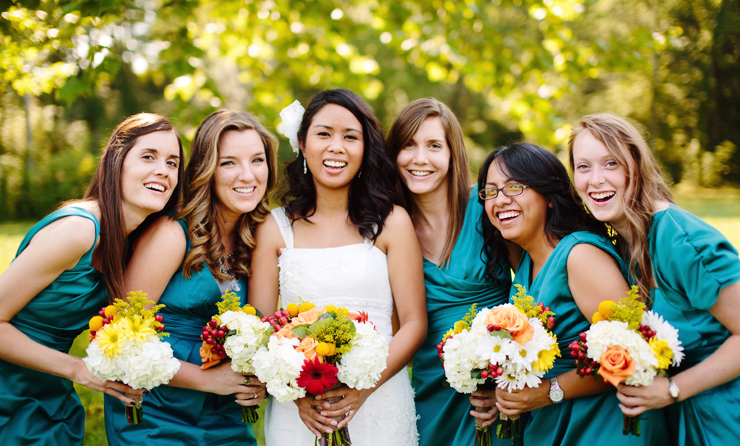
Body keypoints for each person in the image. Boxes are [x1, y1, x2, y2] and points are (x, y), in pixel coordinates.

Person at [249, 89, 426, 445]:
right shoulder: (275, 227)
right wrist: (298, 394)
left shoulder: (392, 223)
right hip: (299, 409)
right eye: (324, 134)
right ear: (302, 142)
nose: (336, 147)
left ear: (365, 149)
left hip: (379, 400)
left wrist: (363, 388)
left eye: (350, 137)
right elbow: (260, 328)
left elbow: (413, 323)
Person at [0, 113, 184, 445]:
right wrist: (78, 369)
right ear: (116, 161)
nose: (163, 170)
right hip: (6, 388)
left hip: (47, 389)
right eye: (148, 156)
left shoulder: (131, 244)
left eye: (172, 163)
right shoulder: (79, 231)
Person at [569, 112, 740, 445]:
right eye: (583, 167)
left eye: (611, 164)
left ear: (636, 165)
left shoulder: (678, 238)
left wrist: (673, 389)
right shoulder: (619, 242)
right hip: (677, 421)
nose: (595, 179)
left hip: (726, 417)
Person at [104, 109, 274, 445]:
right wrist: (206, 380)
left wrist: (258, 381)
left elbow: (261, 331)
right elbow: (120, 341)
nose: (247, 175)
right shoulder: (172, 234)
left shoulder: (257, 238)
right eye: (229, 163)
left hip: (224, 413)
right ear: (206, 170)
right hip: (155, 410)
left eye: (257, 160)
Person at [479, 143, 667, 444]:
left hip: (601, 428)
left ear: (549, 197)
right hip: (553, 424)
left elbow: (634, 354)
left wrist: (550, 390)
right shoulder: (527, 262)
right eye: (490, 191)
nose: (500, 200)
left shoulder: (580, 256)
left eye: (514, 187)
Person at [385, 98, 513, 445]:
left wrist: (510, 374)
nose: (419, 158)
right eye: (408, 145)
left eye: (433, 146)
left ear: (452, 153)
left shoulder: (487, 206)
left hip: (499, 390)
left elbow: (531, 281)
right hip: (432, 393)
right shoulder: (389, 229)